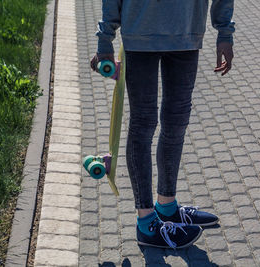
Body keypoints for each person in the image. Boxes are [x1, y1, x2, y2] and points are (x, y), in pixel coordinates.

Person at [91, 0, 235, 249]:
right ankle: (146, 223)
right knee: (143, 124)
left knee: (176, 123)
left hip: (187, 34)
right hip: (140, 33)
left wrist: (224, 32)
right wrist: (105, 38)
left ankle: (167, 207)